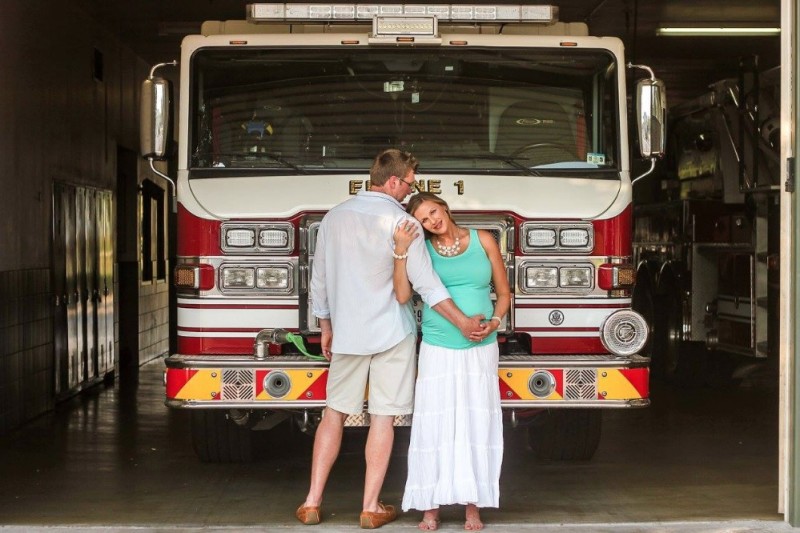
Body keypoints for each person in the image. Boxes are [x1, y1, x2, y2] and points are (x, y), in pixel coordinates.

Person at [296, 149, 485, 529]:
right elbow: (427, 285)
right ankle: (370, 507)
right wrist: (463, 322)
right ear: (394, 180)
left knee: (334, 413)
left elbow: (319, 279)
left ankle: (312, 501)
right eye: (410, 184)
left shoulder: (334, 217)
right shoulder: (404, 223)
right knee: (382, 418)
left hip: (348, 332)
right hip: (392, 333)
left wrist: (326, 326)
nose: (411, 191)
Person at [393, 192, 511, 531]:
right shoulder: (422, 249)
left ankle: (473, 506)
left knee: (477, 421)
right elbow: (402, 295)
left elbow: (504, 292)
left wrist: (495, 321)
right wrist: (401, 250)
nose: (432, 221)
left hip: (482, 344)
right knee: (435, 423)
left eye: (433, 212)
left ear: (444, 207)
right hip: (438, 344)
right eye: (424, 220)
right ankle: (430, 507)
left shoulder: (483, 239)